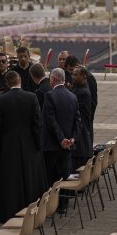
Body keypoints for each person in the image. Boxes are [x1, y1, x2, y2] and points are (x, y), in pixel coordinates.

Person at [0, 71, 46, 221]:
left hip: (9, 144)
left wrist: (0, 143)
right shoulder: (32, 97)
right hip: (29, 143)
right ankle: (31, 210)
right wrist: (38, 144)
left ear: (7, 83)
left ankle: (9, 211)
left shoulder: (2, 99)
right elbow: (37, 124)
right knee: (29, 177)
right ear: (20, 80)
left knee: (10, 179)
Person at [41, 68, 81, 212]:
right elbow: (78, 121)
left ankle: (51, 206)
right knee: (64, 175)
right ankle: (62, 205)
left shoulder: (50, 95)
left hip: (53, 145)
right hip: (68, 145)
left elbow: (51, 121)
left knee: (51, 176)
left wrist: (61, 139)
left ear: (53, 79)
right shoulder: (72, 96)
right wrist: (72, 139)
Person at [64, 55, 98, 135]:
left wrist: (89, 118)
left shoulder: (89, 78)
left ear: (77, 65)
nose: (71, 74)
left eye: (71, 70)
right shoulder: (76, 77)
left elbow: (93, 101)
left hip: (86, 118)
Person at [69, 66, 93, 169]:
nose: (72, 77)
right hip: (80, 140)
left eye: (75, 75)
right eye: (72, 74)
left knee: (76, 170)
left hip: (80, 141)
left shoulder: (82, 93)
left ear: (83, 76)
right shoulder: (78, 88)